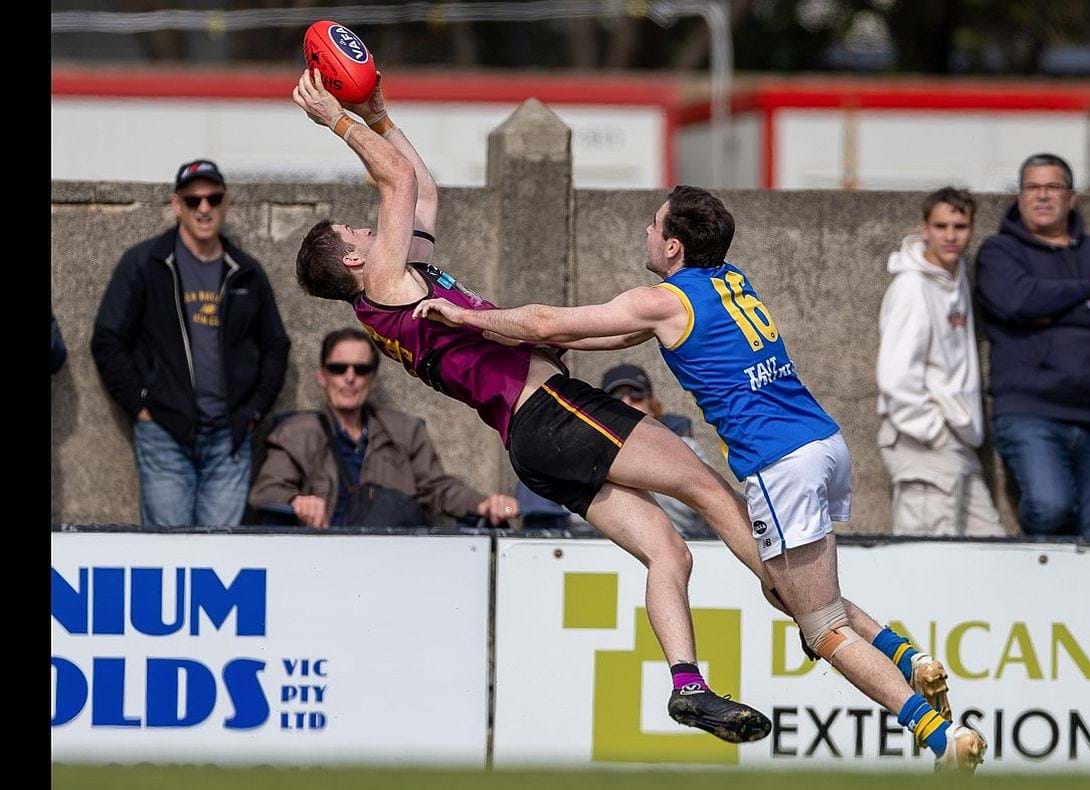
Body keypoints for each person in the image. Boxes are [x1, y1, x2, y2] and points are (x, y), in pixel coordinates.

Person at [416, 185, 988, 771]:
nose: (645, 232)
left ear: (672, 246)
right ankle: (907, 656)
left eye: (653, 225)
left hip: (780, 463)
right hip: (824, 442)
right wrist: (538, 338)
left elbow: (548, 319)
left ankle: (940, 737)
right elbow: (605, 334)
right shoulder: (730, 279)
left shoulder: (665, 300)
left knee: (821, 629)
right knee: (791, 588)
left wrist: (464, 316)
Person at [287, 68, 770, 743]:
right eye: (354, 231)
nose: (367, 228)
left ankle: (688, 687)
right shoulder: (386, 284)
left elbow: (424, 188)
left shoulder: (399, 285)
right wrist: (338, 120)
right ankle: (800, 603)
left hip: (534, 442)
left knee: (669, 551)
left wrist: (379, 113)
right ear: (351, 261)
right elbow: (395, 179)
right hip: (551, 410)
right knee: (706, 487)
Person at [91, 158, 291, 527]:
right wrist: (141, 406)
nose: (203, 208)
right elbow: (108, 338)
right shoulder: (146, 263)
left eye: (213, 199)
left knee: (221, 551)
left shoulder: (246, 271)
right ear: (176, 205)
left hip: (229, 438)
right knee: (169, 548)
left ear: (226, 203)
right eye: (193, 200)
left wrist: (252, 414)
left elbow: (275, 345)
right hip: (164, 433)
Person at [974, 152, 1090, 538]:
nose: (1042, 195)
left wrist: (1050, 307)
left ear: (1071, 197)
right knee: (1050, 506)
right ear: (1020, 196)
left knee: (1079, 532)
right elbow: (1016, 301)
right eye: (1032, 187)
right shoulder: (1000, 251)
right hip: (1029, 410)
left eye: (1053, 186)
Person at [248, 328, 520, 529]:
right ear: (323, 375)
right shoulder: (295, 432)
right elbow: (265, 492)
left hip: (391, 557)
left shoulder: (405, 430)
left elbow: (437, 488)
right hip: (322, 555)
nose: (350, 378)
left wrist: (483, 504)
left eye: (361, 369)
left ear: (373, 378)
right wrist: (296, 501)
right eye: (339, 368)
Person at [876, 187, 1003, 537]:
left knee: (991, 546)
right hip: (923, 440)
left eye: (960, 226)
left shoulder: (954, 277)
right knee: (926, 555)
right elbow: (895, 375)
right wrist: (934, 431)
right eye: (941, 226)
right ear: (924, 229)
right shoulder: (912, 287)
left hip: (958, 442)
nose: (950, 236)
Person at [600, 363, 712, 538]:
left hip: (685, 540)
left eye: (636, 395)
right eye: (615, 398)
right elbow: (576, 519)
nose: (626, 403)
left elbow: (708, 503)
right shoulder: (591, 455)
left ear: (651, 405)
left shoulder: (686, 449)